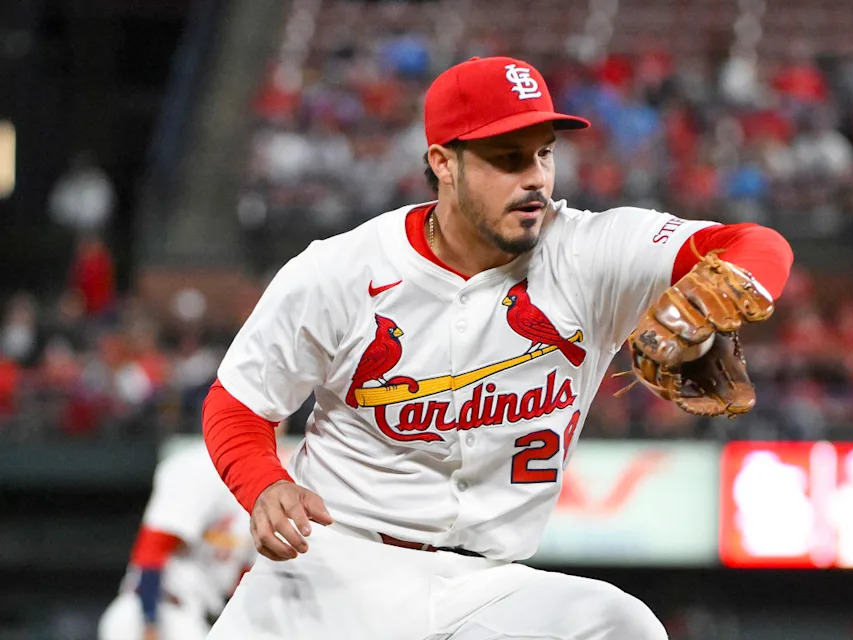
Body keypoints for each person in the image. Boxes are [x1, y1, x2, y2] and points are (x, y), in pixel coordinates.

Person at [202, 56, 793, 639]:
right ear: (444, 163)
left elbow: (753, 243)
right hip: (332, 567)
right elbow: (238, 404)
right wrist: (265, 484)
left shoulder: (590, 253)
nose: (534, 177)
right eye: (508, 159)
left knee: (622, 626)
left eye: (543, 153)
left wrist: (738, 287)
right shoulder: (341, 269)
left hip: (483, 587)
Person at [98, 440, 255, 640]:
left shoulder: (265, 483)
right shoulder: (199, 466)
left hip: (192, 616)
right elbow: (152, 549)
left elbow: (245, 579)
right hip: (156, 613)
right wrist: (150, 623)